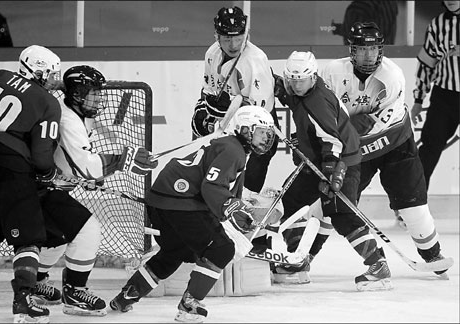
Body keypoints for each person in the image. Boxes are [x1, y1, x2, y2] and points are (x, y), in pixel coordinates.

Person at [110, 105, 276, 322]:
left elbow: (220, 187)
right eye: (261, 132)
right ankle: (190, 305)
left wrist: (235, 206)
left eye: (268, 133)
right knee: (222, 249)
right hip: (181, 202)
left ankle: (127, 295)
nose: (266, 138)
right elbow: (212, 187)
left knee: (173, 253)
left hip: (162, 200)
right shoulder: (233, 150)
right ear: (245, 129)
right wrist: (232, 208)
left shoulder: (232, 147)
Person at [319, 22, 451, 278]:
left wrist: (337, 131)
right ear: (351, 50)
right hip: (356, 150)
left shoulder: (392, 76)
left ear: (381, 50)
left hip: (395, 145)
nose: (368, 56)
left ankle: (432, 254)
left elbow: (370, 124)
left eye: (374, 49)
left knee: (413, 207)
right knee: (334, 202)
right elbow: (325, 111)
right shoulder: (333, 72)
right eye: (361, 49)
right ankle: (306, 255)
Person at [30, 65, 159, 316]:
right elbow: (88, 166)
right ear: (77, 94)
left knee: (57, 237)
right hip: (38, 188)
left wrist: (96, 172)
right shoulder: (68, 119)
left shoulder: (78, 114)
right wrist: (124, 159)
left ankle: (36, 281)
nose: (100, 97)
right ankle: (75, 292)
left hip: (45, 186)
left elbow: (77, 162)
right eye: (94, 92)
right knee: (88, 230)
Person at [273, 51, 392, 291]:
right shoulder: (303, 89)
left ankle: (378, 265)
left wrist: (330, 171)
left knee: (341, 214)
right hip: (315, 161)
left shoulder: (318, 102)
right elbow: (293, 98)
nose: (296, 84)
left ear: (313, 76)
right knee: (289, 204)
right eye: (292, 79)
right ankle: (298, 260)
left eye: (301, 79)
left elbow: (332, 141)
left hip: (341, 161)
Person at [0, 45, 61, 323]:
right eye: (52, 74)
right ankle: (24, 299)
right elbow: (43, 157)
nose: (55, 79)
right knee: (29, 238)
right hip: (9, 166)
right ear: (38, 71)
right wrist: (48, 174)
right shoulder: (47, 102)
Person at [191, 6, 279, 195]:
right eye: (227, 38)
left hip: (257, 121)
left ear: (246, 34)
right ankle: (210, 196)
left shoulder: (255, 60)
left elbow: (258, 112)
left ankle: (245, 199)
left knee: (255, 156)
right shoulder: (212, 54)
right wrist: (206, 113)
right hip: (227, 116)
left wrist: (229, 106)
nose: (233, 45)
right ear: (217, 36)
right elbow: (209, 90)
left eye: (238, 38)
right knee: (213, 154)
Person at [411, 0, 460, 190]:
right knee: (429, 149)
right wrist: (418, 101)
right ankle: (414, 204)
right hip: (444, 97)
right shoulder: (437, 24)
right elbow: (427, 63)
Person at [331, 0, 398, 45]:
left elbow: (353, 34)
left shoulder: (358, 7)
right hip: (386, 55)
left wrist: (337, 29)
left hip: (364, 57)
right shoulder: (390, 3)